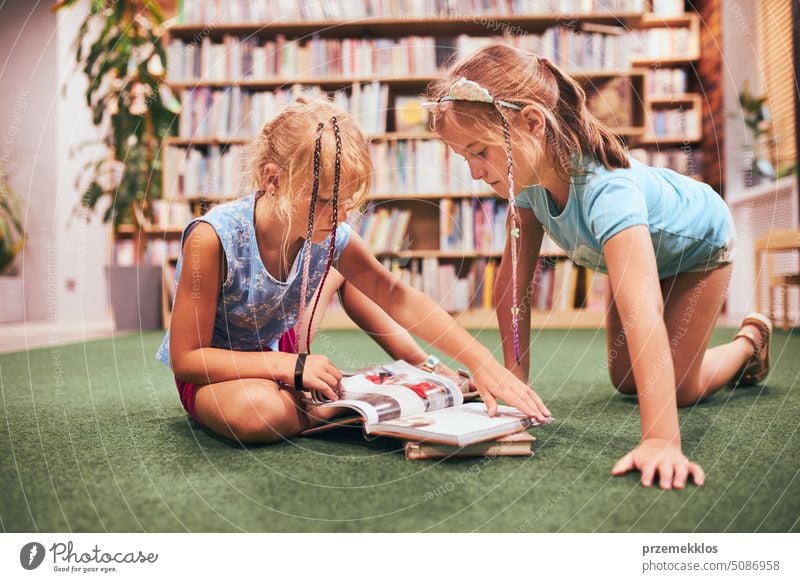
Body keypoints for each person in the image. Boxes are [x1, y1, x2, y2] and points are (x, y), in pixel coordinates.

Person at [425, 43, 772, 489]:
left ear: (532, 122)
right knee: (626, 379)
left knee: (680, 390)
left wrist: (661, 440)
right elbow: (513, 285)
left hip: (698, 246)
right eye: (464, 158)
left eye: (480, 152)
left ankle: (749, 341)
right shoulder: (525, 184)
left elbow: (641, 313)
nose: (474, 172)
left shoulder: (608, 193)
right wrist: (515, 377)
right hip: (643, 256)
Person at [156, 96, 550, 444]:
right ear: (272, 179)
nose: (342, 216)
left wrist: (483, 363)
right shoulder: (212, 238)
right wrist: (288, 366)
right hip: (218, 372)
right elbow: (187, 358)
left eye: (348, 202)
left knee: (353, 278)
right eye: (327, 200)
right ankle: (343, 409)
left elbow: (394, 294)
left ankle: (396, 379)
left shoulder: (332, 233)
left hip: (286, 357)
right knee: (258, 414)